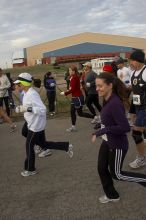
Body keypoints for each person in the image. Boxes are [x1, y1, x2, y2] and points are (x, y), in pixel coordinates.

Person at [92, 72, 146, 204]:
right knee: (101, 167)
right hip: (108, 140)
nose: (97, 89)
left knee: (117, 174)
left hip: (117, 144)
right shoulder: (106, 98)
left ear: (110, 85)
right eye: (96, 86)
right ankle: (112, 195)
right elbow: (110, 119)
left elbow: (124, 127)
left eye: (100, 86)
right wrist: (101, 124)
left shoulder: (114, 103)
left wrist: (102, 130)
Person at [14, 72, 73, 177]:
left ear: (23, 84)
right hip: (32, 123)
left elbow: (42, 109)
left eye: (17, 84)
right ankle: (66, 146)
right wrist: (22, 108)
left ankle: (30, 169)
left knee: (29, 145)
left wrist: (26, 108)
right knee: (43, 144)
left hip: (35, 126)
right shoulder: (27, 93)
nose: (15, 86)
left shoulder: (31, 94)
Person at [60, 65, 94, 132]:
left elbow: (72, 89)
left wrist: (65, 93)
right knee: (73, 112)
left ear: (74, 71)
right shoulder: (73, 77)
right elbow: (72, 88)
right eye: (69, 70)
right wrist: (67, 91)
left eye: (70, 70)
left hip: (78, 97)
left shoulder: (74, 78)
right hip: (75, 97)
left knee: (80, 113)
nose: (69, 71)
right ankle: (73, 127)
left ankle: (95, 117)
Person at [128, 49, 146, 169]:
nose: (130, 63)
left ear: (139, 60)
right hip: (139, 108)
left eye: (133, 61)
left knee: (136, 133)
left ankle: (141, 159)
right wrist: (133, 111)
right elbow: (134, 93)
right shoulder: (133, 73)